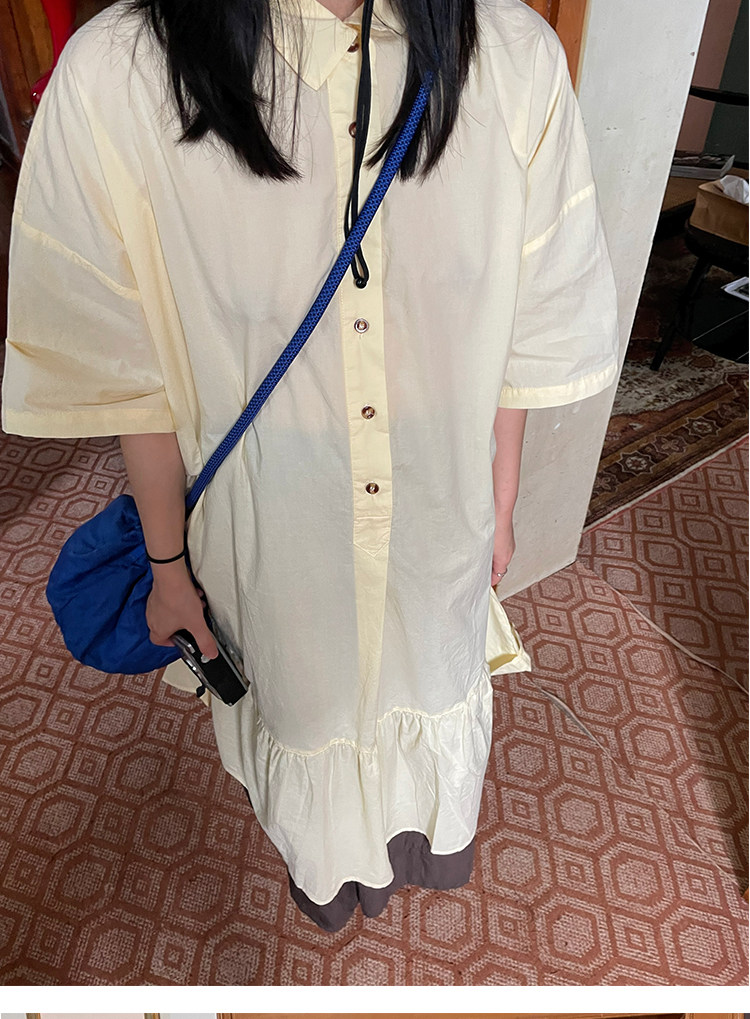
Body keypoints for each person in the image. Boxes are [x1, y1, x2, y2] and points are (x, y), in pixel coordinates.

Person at [1, 0, 620, 932]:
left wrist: (497, 503)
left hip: (438, 526)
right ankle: (329, 878)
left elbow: (526, 325)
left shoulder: (515, 60)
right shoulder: (118, 79)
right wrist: (167, 565)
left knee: (429, 681)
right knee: (303, 708)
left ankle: (403, 857)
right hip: (272, 537)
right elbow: (133, 378)